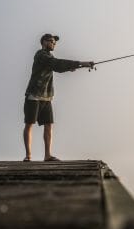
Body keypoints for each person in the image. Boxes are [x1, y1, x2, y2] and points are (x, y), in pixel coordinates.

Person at [23, 33, 93, 162]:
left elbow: (58, 68)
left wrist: (75, 66)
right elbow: (56, 64)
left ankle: (47, 155)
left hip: (47, 97)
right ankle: (28, 156)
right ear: (44, 42)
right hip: (34, 95)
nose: (54, 44)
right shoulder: (41, 55)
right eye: (51, 41)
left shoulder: (49, 56)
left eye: (55, 42)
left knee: (49, 125)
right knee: (29, 124)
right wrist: (80, 63)